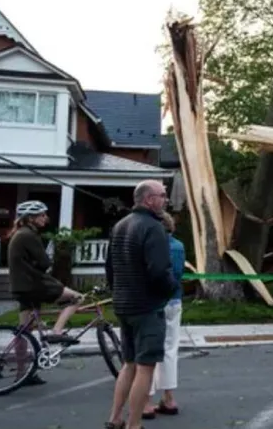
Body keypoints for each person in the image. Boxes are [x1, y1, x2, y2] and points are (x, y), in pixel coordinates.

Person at [104, 180, 179, 429]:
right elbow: (159, 271)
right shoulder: (153, 227)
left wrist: (118, 292)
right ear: (149, 199)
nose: (165, 199)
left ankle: (115, 418)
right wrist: (169, 290)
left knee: (129, 364)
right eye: (162, 195)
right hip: (147, 306)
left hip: (123, 304)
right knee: (146, 367)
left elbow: (110, 269)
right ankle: (134, 424)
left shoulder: (120, 226)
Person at [8, 199, 83, 385]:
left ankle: (22, 373)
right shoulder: (29, 235)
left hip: (21, 287)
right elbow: (44, 263)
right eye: (42, 215)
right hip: (35, 284)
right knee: (77, 298)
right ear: (31, 218)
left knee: (24, 330)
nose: (45, 218)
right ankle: (57, 331)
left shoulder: (19, 234)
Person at [142, 212, 185, 419]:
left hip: (151, 302)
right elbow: (177, 274)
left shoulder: (149, 246)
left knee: (147, 350)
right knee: (169, 349)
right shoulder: (178, 246)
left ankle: (146, 401)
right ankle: (168, 397)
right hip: (174, 300)